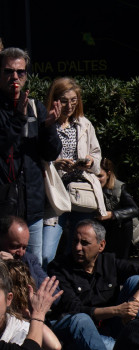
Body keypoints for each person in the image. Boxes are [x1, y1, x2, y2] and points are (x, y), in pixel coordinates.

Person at [46, 218, 139, 350]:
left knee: (135, 281)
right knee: (81, 319)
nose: (78, 247)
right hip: (76, 335)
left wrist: (133, 303)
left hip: (110, 329)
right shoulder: (58, 268)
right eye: (75, 241)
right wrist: (117, 310)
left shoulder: (109, 262)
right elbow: (74, 308)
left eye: (84, 243)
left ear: (101, 245)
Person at [0, 47, 62, 282]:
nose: (15, 78)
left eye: (20, 72)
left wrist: (48, 128)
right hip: (4, 209)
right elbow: (5, 145)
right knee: (4, 271)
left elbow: (51, 153)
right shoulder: (14, 110)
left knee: (32, 269)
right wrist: (18, 117)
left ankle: (33, 316)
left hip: (32, 206)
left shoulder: (35, 106)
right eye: (8, 71)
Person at [40, 77, 103, 266]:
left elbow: (97, 158)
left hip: (81, 192)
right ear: (54, 99)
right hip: (54, 192)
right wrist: (55, 164)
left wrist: (89, 161)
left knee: (79, 253)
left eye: (74, 101)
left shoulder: (84, 124)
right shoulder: (45, 123)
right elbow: (36, 155)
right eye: (64, 100)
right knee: (46, 254)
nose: (69, 106)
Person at [95, 158, 139, 259]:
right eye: (94, 176)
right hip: (100, 230)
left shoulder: (118, 188)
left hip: (117, 231)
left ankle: (122, 260)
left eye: (100, 176)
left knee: (127, 221)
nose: (96, 180)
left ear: (108, 174)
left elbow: (134, 209)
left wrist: (111, 215)